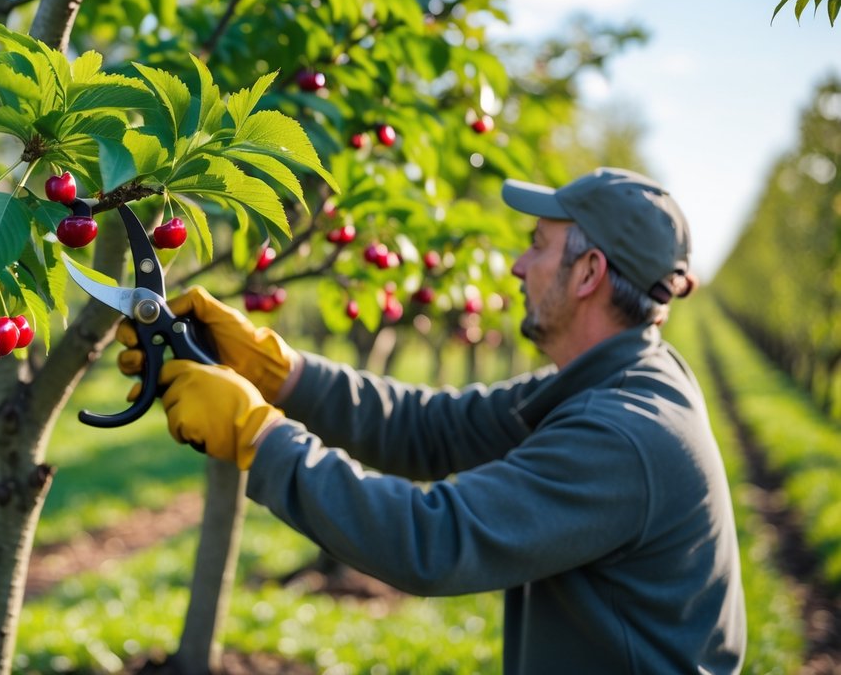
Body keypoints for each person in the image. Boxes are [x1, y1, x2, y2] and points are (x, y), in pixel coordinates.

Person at [117, 167, 746, 674]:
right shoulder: (609, 382)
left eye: (538, 246)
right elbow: (434, 428)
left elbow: (433, 542)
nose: (518, 266)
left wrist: (261, 438)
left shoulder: (623, 432)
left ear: (589, 273)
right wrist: (283, 373)